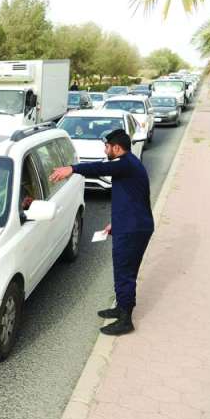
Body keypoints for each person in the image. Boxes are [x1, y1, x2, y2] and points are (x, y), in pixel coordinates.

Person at [50, 129, 153, 336]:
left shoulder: (125, 163)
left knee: (125, 273)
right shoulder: (127, 166)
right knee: (121, 270)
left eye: (107, 147)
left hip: (133, 229)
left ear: (116, 148)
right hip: (129, 224)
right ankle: (121, 307)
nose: (105, 150)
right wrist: (114, 224)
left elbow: (98, 168)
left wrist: (72, 168)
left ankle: (126, 320)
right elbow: (131, 200)